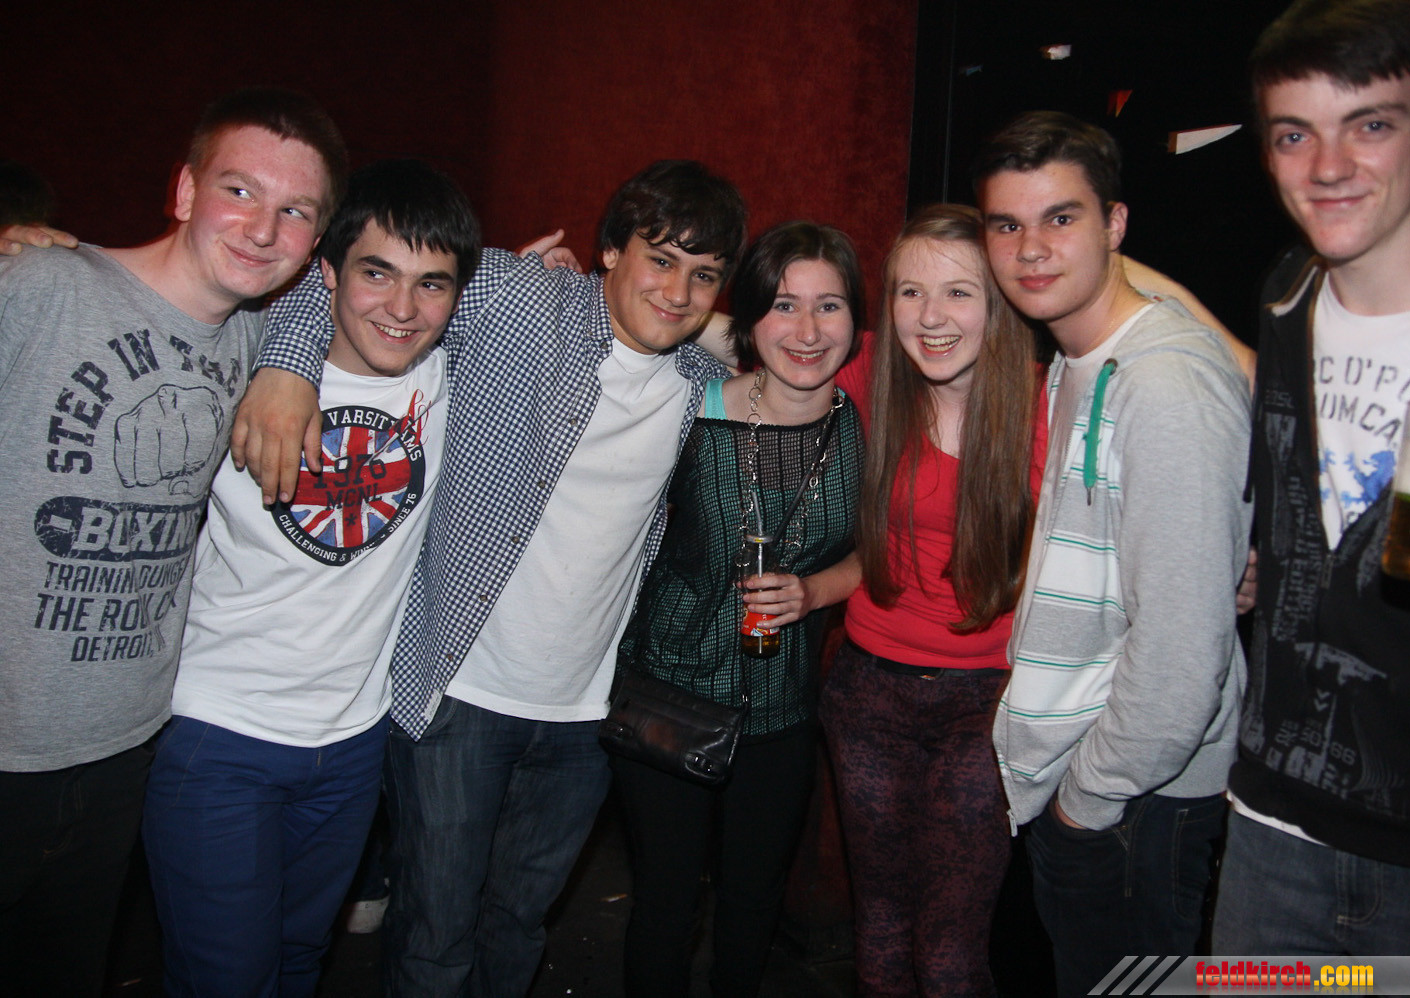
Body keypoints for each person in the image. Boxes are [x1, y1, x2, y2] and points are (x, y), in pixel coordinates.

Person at [236, 159, 747, 997]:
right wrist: (287, 367)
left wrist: (739, 321)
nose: (678, 291)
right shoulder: (519, 297)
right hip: (458, 696)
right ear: (609, 251)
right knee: (435, 935)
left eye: (704, 275)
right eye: (660, 260)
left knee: (518, 925)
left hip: (585, 716)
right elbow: (343, 280)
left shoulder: (699, 384)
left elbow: (805, 351)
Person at [0, 87, 344, 998]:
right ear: (185, 191)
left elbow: (347, 297)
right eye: (240, 191)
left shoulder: (258, 337)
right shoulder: (43, 286)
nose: (263, 229)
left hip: (123, 746)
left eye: (295, 211)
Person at [139, 159, 479, 997]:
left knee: (299, 961)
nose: (402, 309)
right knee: (226, 979)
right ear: (326, 271)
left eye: (431, 285)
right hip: (222, 733)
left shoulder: (448, 377)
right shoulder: (244, 360)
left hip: (353, 741)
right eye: (376, 273)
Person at [1215, 0, 1410, 955]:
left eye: (1370, 125)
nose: (1328, 168)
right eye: (1295, 134)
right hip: (1271, 829)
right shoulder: (1285, 295)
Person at [980, 111, 1251, 997]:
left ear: (1116, 225)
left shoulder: (1165, 383)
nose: (1031, 249)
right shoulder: (1079, 360)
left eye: (1061, 218)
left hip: (1138, 803)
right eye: (1007, 225)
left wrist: (1085, 804)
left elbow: (1182, 657)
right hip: (1103, 781)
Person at [612, 221, 864, 998]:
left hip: (782, 710)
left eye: (829, 306)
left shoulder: (865, 423)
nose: (808, 330)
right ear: (750, 317)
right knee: (665, 903)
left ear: (856, 321)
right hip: (670, 693)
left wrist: (814, 591)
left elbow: (888, 551)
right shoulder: (689, 407)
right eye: (784, 305)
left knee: (753, 904)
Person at [819, 204, 1042, 998]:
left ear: (1002, 301)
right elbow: (753, 335)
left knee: (950, 956)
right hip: (867, 692)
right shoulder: (873, 374)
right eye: (910, 292)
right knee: (879, 931)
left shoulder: (1050, 408)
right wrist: (589, 291)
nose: (930, 317)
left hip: (988, 702)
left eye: (958, 292)